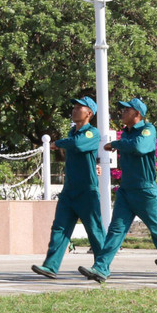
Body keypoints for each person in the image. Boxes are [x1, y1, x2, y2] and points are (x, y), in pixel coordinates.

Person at [80, 98, 157, 284]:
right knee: (116, 230)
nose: (122, 113)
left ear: (137, 114)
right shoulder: (125, 133)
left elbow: (140, 147)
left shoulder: (148, 130)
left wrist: (115, 144)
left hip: (144, 190)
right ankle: (101, 268)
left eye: (126, 110)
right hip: (126, 189)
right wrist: (119, 143)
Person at [32, 96, 107, 279]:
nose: (74, 110)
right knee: (59, 228)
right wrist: (65, 141)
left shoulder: (92, 133)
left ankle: (102, 268)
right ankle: (51, 266)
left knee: (95, 230)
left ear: (89, 113)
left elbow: (79, 145)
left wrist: (58, 143)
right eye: (73, 107)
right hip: (69, 191)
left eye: (79, 108)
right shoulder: (72, 132)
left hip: (87, 191)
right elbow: (74, 142)